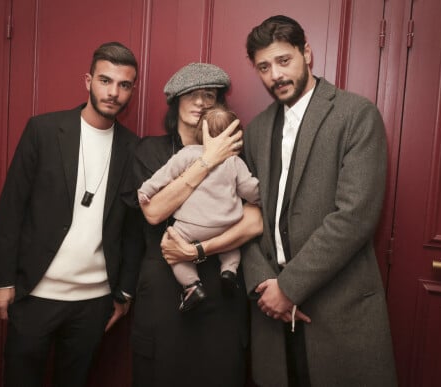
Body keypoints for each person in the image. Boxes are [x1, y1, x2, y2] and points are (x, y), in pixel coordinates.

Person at [235, 15, 398, 386]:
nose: (275, 74)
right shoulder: (257, 129)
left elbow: (355, 216)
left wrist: (288, 287)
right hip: (270, 314)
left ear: (306, 52)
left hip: (337, 309)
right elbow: (246, 214)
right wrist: (264, 284)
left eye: (283, 60)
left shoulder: (356, 114)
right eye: (264, 67)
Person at [0, 42, 142, 387]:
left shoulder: (133, 148)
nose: (113, 92)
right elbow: (11, 208)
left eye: (124, 85)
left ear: (132, 90)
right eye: (105, 80)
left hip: (94, 302)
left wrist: (124, 294)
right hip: (35, 294)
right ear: (88, 80)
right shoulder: (43, 131)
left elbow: (133, 230)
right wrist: (1, 280)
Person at [124, 62, 263, 387]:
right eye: (192, 95)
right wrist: (206, 160)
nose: (201, 102)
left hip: (221, 286)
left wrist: (198, 249)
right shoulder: (149, 150)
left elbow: (254, 221)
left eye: (210, 96)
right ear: (176, 101)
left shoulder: (237, 155)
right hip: (164, 287)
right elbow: (154, 211)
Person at [137, 105, 260, 312]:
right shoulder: (236, 162)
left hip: (191, 227)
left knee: (171, 247)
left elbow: (164, 175)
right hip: (226, 225)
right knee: (231, 247)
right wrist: (261, 198)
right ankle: (229, 271)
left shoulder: (187, 154)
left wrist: (146, 190)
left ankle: (192, 286)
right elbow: (251, 190)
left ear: (200, 131)